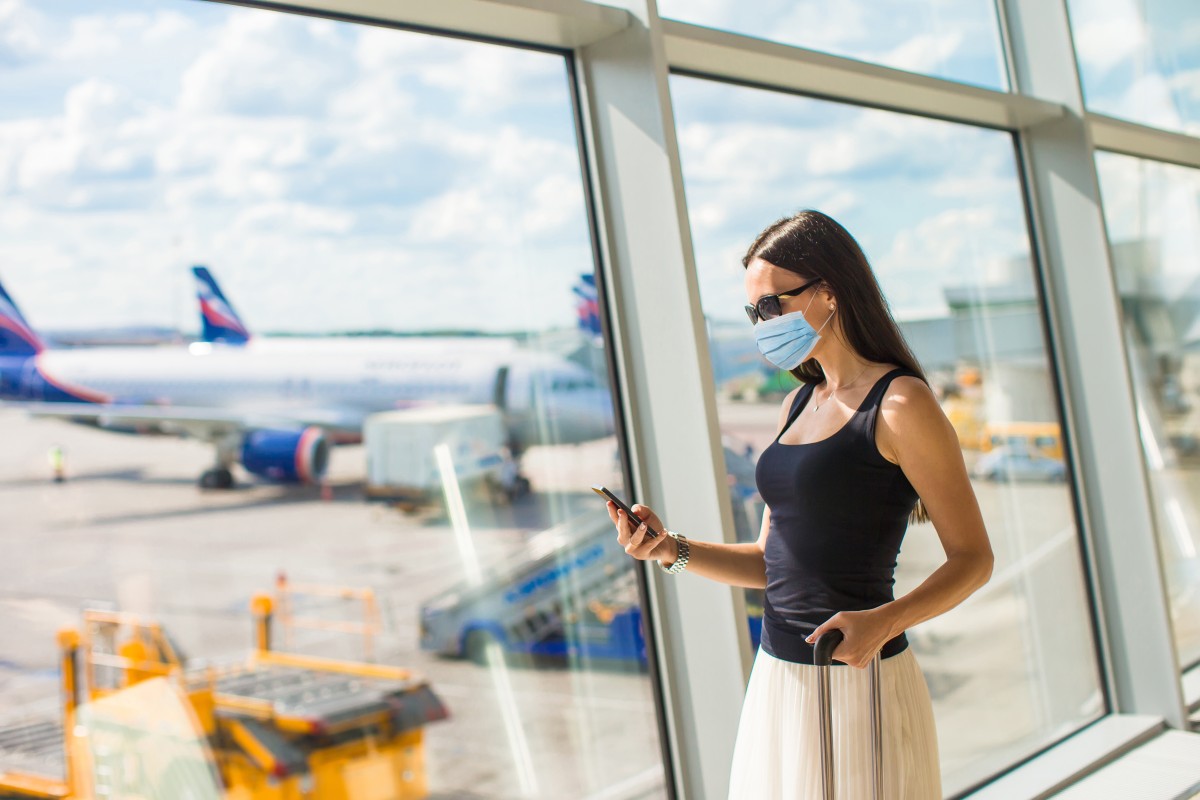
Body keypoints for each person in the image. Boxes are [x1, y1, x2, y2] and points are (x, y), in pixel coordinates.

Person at [606, 210, 993, 799]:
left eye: (770, 306)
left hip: (857, 683)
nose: (761, 324)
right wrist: (669, 550)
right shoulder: (800, 403)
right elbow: (770, 562)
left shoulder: (900, 404)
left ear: (829, 294)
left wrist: (885, 622)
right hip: (779, 678)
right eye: (752, 312)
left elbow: (973, 558)